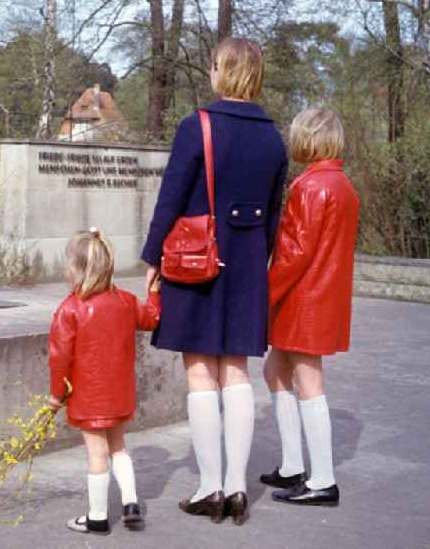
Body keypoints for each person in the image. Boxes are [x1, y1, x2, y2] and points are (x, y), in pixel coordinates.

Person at [140, 36, 287, 526]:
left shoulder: (196, 126)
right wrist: (254, 260)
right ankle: (239, 488)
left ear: (221, 71)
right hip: (247, 264)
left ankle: (210, 487)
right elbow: (274, 216)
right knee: (237, 372)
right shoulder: (272, 135)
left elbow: (171, 197)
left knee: (200, 370)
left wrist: (152, 256)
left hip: (196, 260)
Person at [261, 108, 360, 507]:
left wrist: (263, 294)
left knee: (308, 382)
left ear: (309, 138)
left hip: (304, 298)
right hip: (322, 295)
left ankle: (322, 479)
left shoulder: (309, 187)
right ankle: (291, 466)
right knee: (275, 371)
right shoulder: (342, 186)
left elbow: (294, 253)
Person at [48, 228, 162, 535]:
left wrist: (56, 396)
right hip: (119, 392)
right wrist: (153, 290)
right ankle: (131, 502)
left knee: (96, 454)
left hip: (88, 397)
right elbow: (152, 318)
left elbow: (60, 359)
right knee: (119, 447)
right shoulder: (125, 301)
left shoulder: (69, 310)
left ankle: (97, 517)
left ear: (74, 268)